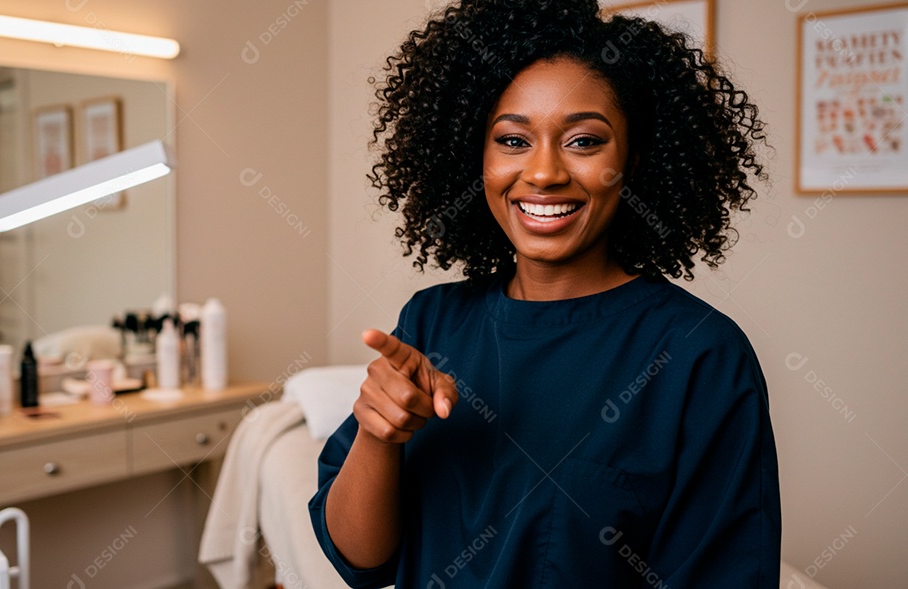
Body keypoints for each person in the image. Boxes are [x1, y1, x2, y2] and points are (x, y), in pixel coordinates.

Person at [309, 0, 780, 587]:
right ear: (474, 157)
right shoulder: (432, 321)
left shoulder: (699, 356)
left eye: (584, 141)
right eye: (512, 141)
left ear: (632, 161)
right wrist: (379, 435)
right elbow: (361, 561)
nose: (544, 172)